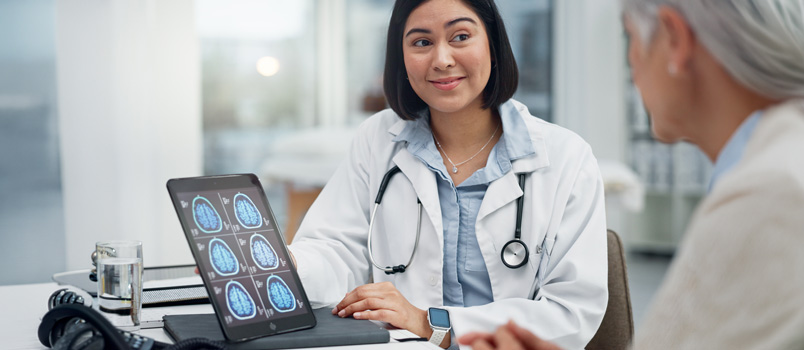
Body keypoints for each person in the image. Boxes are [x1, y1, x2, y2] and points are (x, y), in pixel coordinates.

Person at [458, 0, 804, 349]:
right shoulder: (771, 164)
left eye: (632, 38)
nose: (632, 65)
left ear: (674, 39)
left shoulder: (773, 192)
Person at [287, 0, 609, 348]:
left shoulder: (566, 158)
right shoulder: (378, 139)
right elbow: (335, 250)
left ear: (493, 46)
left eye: (460, 36)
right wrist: (282, 264)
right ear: (402, 60)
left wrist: (430, 324)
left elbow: (570, 313)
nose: (441, 60)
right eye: (421, 42)